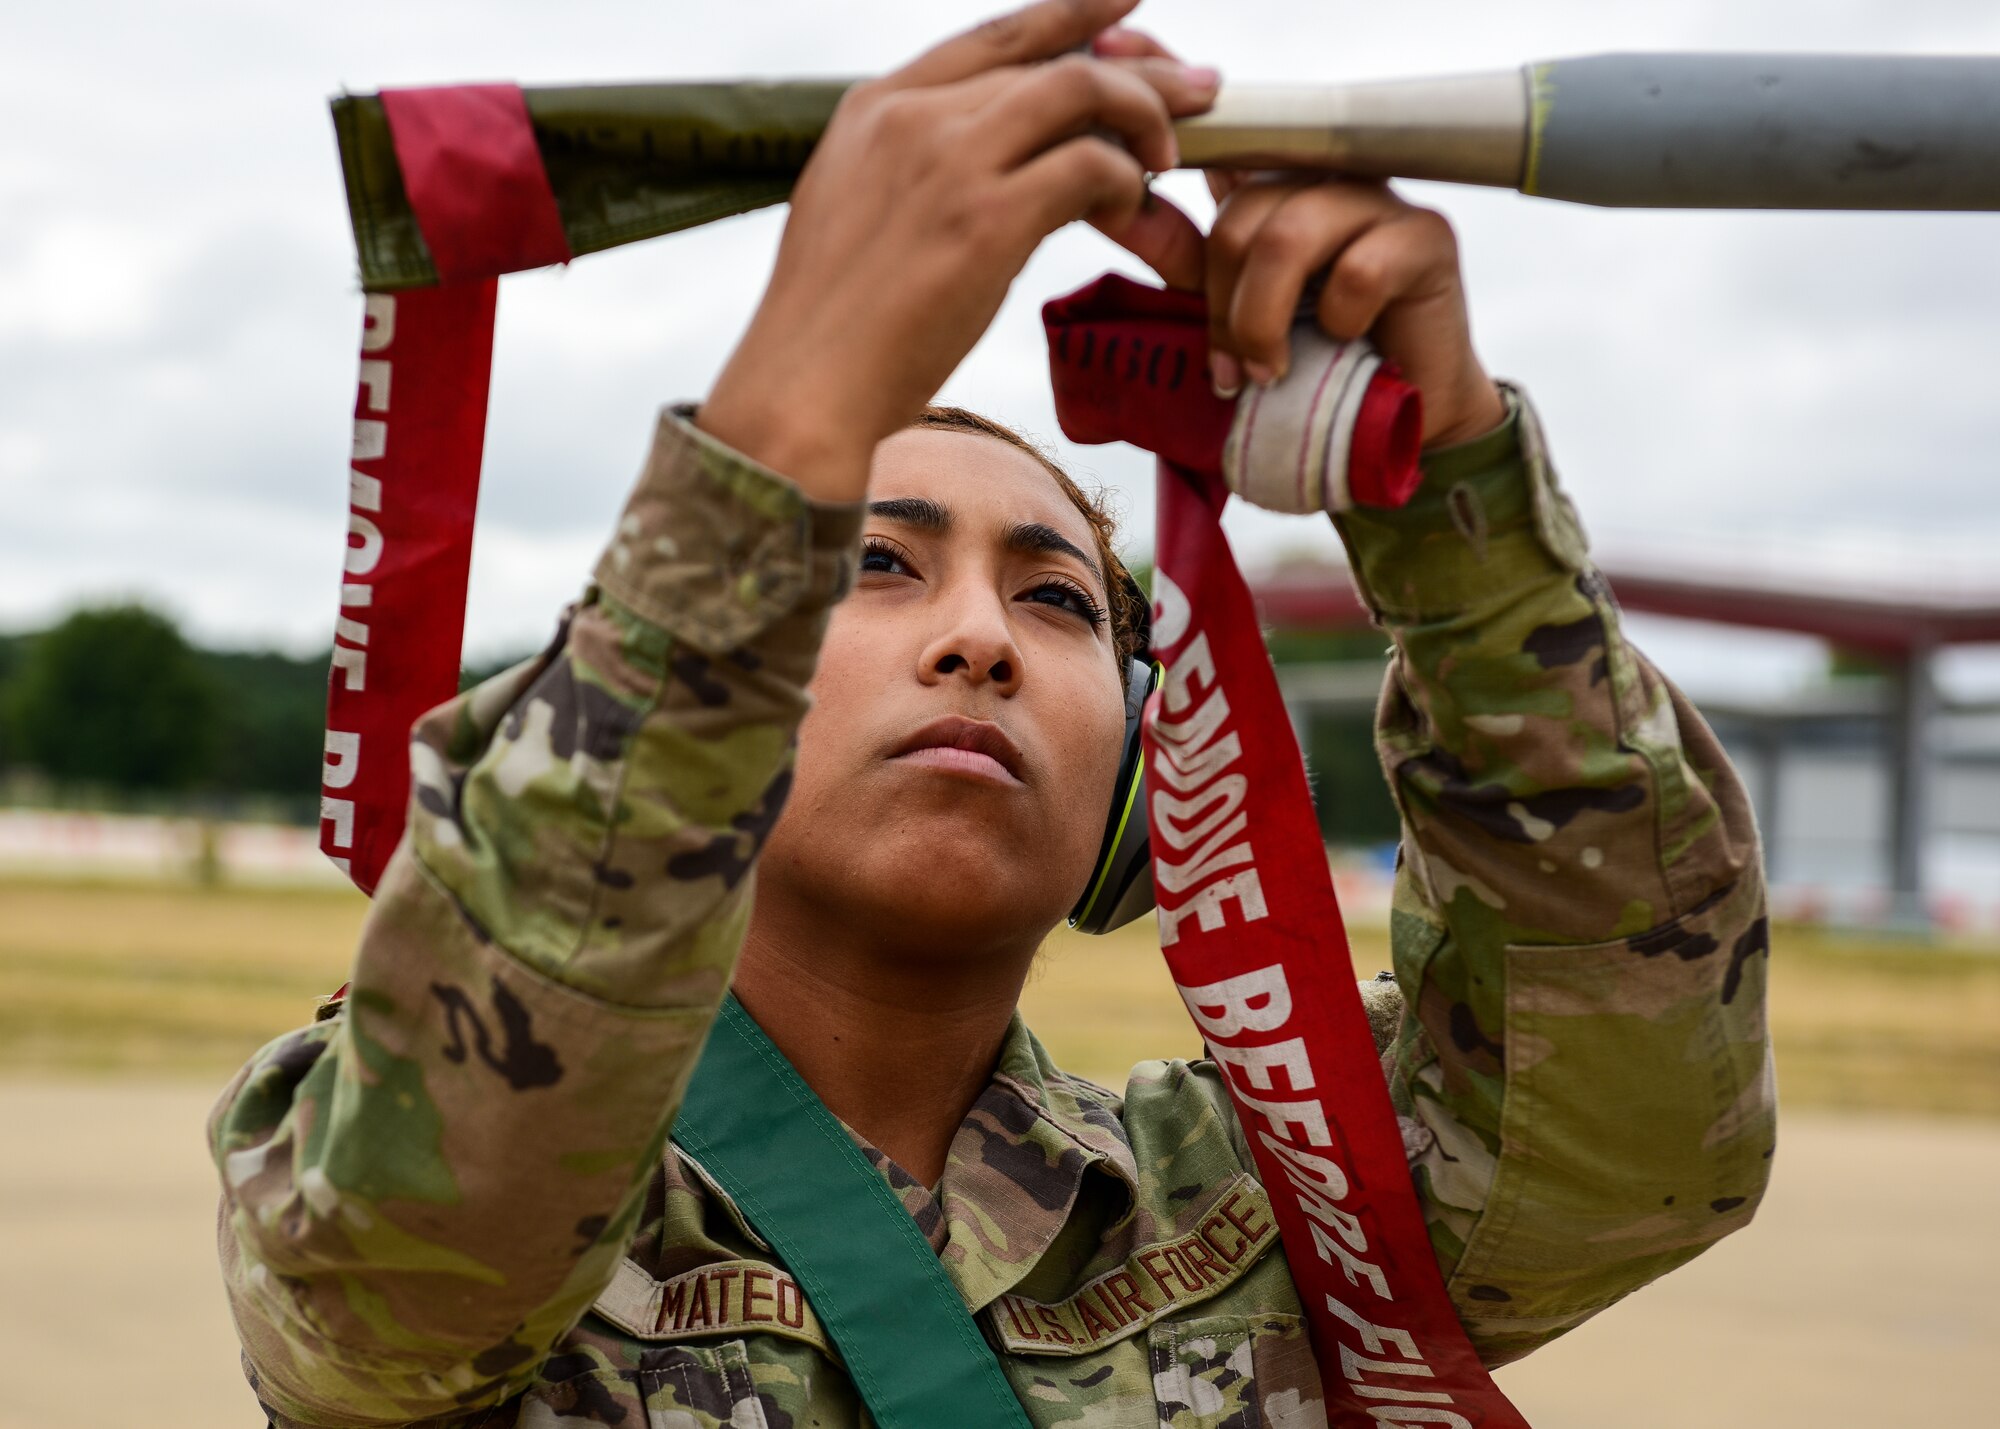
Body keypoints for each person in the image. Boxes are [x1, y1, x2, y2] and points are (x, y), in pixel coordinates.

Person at [211, 2, 1775, 1424]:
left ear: (1142, 786)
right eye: (874, 562)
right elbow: (402, 1262)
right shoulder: (422, 1161)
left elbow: (1632, 1143)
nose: (978, 637)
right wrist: (785, 421)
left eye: (1056, 598)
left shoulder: (1271, 1205)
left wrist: (1450, 502)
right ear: (709, 686)